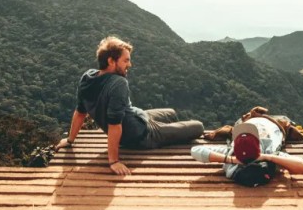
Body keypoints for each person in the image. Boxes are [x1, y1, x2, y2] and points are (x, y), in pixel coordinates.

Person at [55, 36, 204, 175]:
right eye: (125, 61)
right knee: (198, 127)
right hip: (141, 135)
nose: (129, 65)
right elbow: (114, 124)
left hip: (137, 117)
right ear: (111, 61)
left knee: (171, 112)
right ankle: (171, 132)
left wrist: (70, 140)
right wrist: (113, 161)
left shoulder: (87, 77)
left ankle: (173, 130)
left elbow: (80, 112)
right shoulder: (118, 83)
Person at [191, 115, 303, 184]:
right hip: (275, 123)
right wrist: (267, 157)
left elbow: (195, 150)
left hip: (247, 120)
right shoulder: (270, 154)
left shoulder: (232, 154)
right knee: (285, 118)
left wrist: (232, 159)